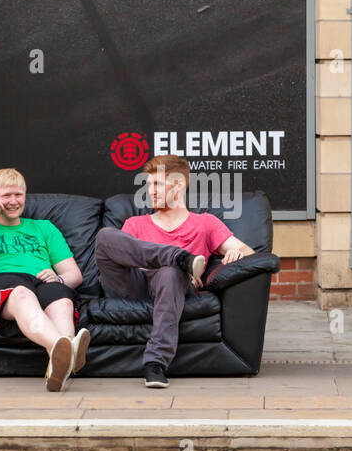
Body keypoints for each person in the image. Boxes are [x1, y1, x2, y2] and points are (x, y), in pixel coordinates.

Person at [95, 154, 254, 387]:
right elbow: (122, 258)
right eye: (148, 185)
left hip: (173, 285)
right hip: (134, 283)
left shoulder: (205, 223)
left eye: (157, 184)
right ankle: (180, 258)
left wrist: (238, 253)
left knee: (170, 273)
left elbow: (249, 252)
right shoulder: (135, 224)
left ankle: (155, 364)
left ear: (178, 185)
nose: (151, 192)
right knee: (105, 236)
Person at [0, 168, 90, 392]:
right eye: (6, 196)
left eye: (18, 195)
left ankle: (60, 362)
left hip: (43, 281)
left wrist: (59, 279)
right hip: (2, 280)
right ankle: (64, 349)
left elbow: (74, 275)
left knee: (63, 301)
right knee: (22, 294)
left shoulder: (43, 228)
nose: (13, 201)